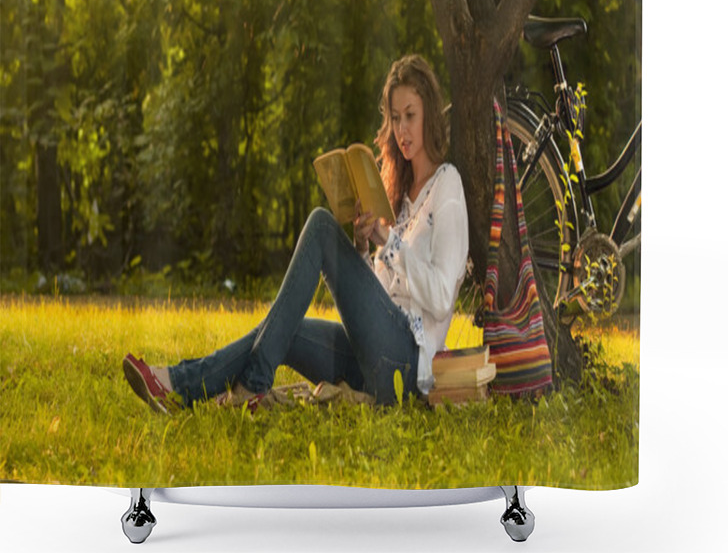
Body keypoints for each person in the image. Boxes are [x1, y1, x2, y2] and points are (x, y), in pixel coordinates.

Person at [123, 54, 469, 411]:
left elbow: (443, 297)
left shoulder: (447, 187)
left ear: (429, 111)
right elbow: (381, 299)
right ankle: (177, 386)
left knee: (320, 226)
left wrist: (391, 242)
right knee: (284, 328)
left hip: (406, 370)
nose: (402, 130)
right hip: (370, 358)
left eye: (410, 115)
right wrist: (364, 249)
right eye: (395, 118)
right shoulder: (399, 195)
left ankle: (253, 383)